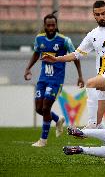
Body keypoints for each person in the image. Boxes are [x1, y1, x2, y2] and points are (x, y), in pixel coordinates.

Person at [42, 1, 105, 130]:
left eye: (103, 13)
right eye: (98, 14)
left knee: (90, 83)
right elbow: (76, 54)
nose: (101, 17)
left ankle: (91, 122)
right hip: (104, 78)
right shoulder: (92, 35)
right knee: (99, 122)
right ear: (94, 15)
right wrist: (56, 59)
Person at [24, 11, 84, 147]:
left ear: (56, 25)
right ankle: (57, 119)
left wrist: (80, 75)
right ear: (45, 26)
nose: (51, 28)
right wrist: (28, 68)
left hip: (56, 80)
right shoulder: (39, 39)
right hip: (43, 79)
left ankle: (43, 140)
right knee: (39, 109)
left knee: (46, 107)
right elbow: (36, 53)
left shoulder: (64, 40)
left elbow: (75, 56)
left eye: (53, 25)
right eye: (48, 25)